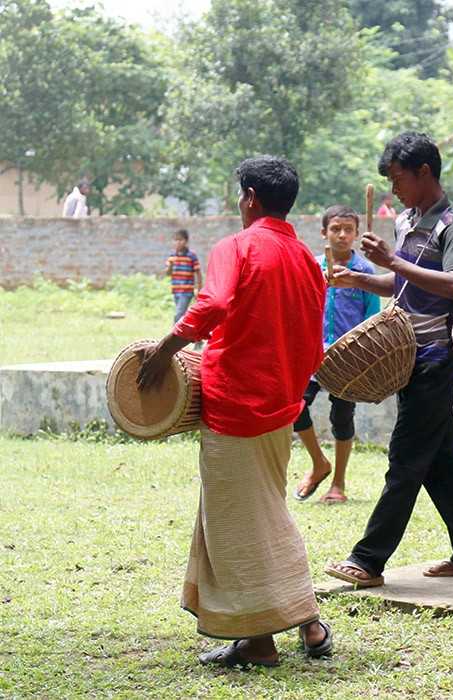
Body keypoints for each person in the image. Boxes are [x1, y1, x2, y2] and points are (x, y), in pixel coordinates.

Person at [136, 155, 332, 667]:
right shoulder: (307, 259)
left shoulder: (237, 247)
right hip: (282, 406)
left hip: (236, 404)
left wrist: (164, 349)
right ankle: (303, 625)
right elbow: (315, 344)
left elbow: (213, 305)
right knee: (261, 512)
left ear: (249, 197)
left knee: (241, 524)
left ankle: (264, 637)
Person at [325, 132, 453, 588]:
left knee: (405, 456)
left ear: (424, 173)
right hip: (407, 353)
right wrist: (360, 281)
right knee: (440, 458)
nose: (393, 189)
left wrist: (393, 263)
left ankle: (368, 559)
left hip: (437, 356)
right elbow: (402, 287)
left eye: (399, 179)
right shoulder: (405, 221)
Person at [293, 205, 381, 505]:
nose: (342, 235)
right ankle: (319, 462)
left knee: (342, 417)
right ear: (324, 233)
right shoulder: (311, 268)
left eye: (348, 230)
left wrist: (364, 356)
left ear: (356, 234)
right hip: (311, 354)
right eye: (335, 229)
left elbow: (372, 317)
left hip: (347, 358)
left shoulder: (365, 272)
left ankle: (338, 483)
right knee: (294, 407)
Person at [165, 229, 202, 326]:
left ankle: (173, 336)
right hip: (176, 290)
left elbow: (198, 272)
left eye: (180, 240)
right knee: (183, 315)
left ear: (186, 241)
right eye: (176, 240)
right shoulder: (172, 256)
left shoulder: (191, 256)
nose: (178, 242)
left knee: (178, 314)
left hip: (187, 291)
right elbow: (168, 274)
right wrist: (170, 265)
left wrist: (199, 288)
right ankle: (196, 337)